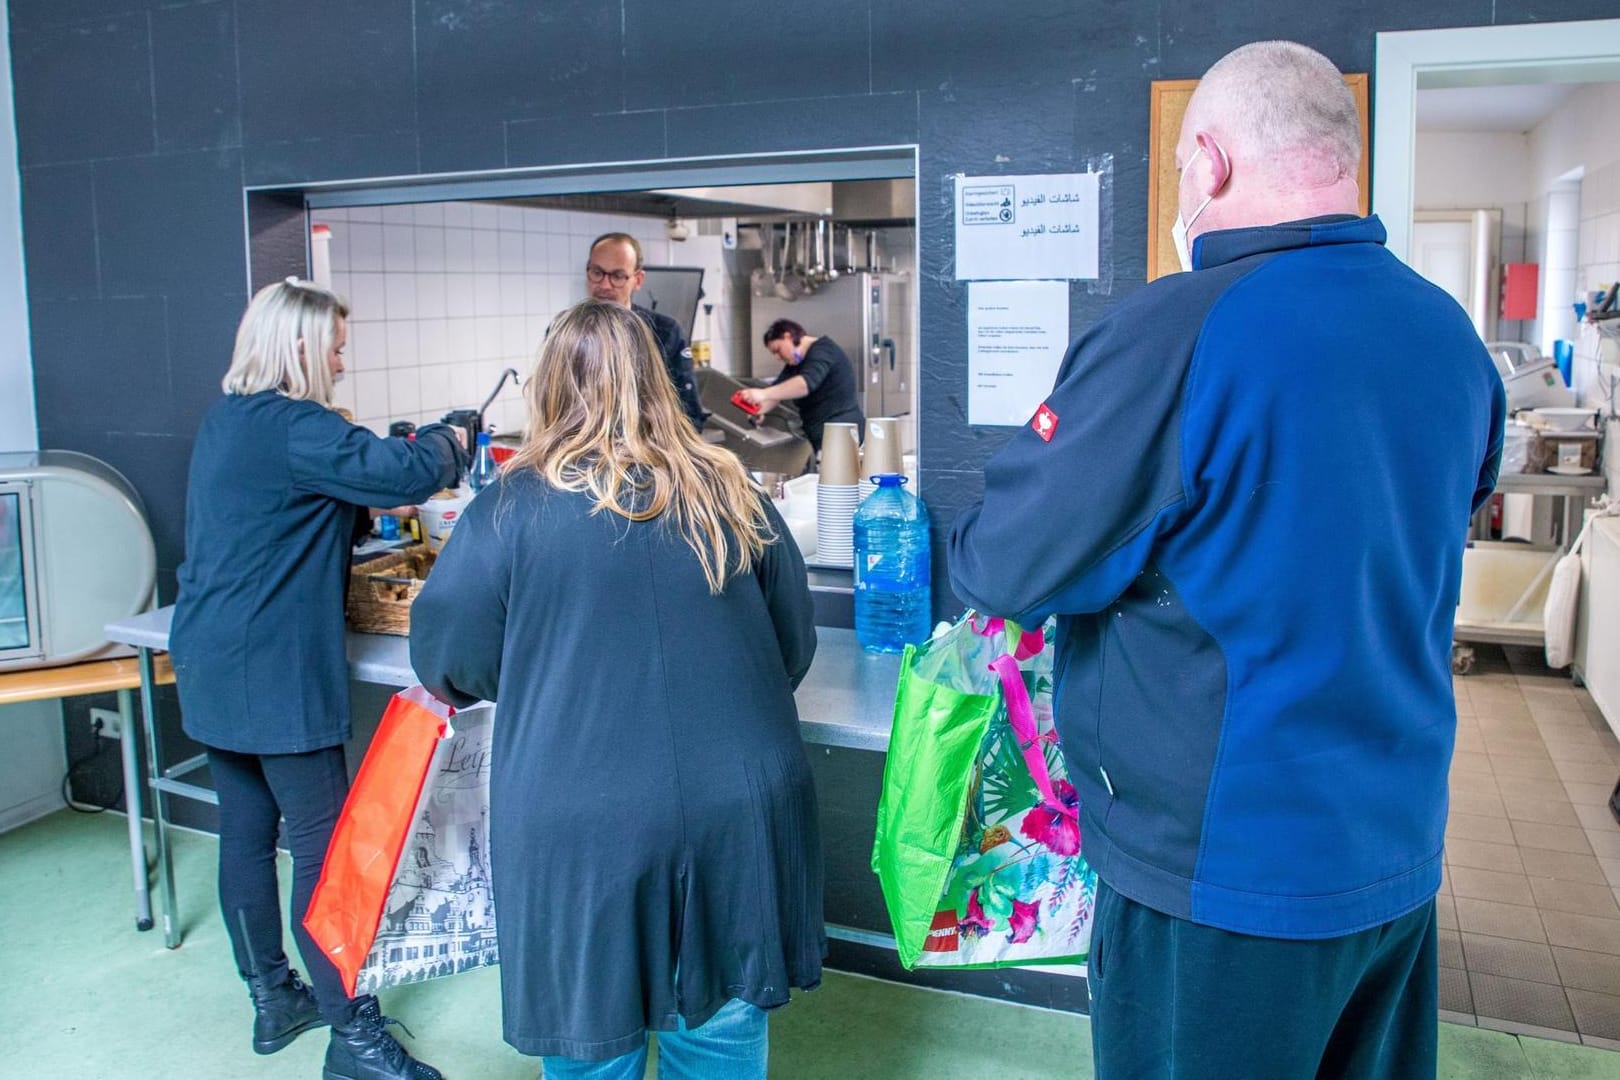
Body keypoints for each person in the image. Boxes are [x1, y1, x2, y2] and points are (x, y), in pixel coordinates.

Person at [947, 41, 1505, 1080]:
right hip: (1392, 859)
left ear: (1204, 163)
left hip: (1223, 881)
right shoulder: (1447, 336)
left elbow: (1008, 564)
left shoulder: (1174, 333)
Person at [409, 301, 823, 1079]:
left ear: (548, 390)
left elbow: (450, 660)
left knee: (591, 1042)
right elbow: (788, 651)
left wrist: (551, 678)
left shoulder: (508, 509)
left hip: (580, 820)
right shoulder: (733, 494)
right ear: (657, 384)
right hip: (738, 809)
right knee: (722, 1034)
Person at [169, 278, 463, 1080]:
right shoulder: (298, 427)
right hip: (270, 670)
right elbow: (405, 474)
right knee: (326, 854)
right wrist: (451, 438)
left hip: (207, 653)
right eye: (335, 345)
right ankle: (354, 1036)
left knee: (245, 834)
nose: (340, 357)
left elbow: (307, 503)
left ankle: (275, 999)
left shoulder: (231, 419)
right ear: (301, 348)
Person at [585, 231, 707, 430]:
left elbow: (688, 414)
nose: (605, 285)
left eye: (617, 276)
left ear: (638, 279)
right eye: (597, 273)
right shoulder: (565, 333)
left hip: (649, 455)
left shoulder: (665, 333)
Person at [736, 319, 865, 456]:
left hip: (841, 434)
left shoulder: (823, 350)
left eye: (778, 350)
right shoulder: (796, 363)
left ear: (788, 336)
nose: (777, 358)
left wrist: (763, 394)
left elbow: (805, 384)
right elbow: (777, 391)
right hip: (823, 436)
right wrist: (760, 409)